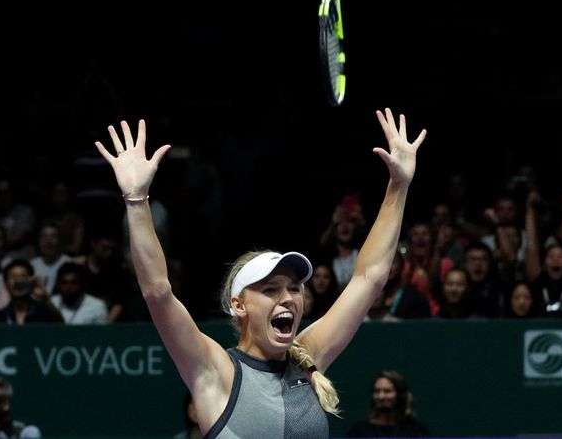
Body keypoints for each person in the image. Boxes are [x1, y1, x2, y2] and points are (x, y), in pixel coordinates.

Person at [94, 110, 426, 438]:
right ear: (239, 305)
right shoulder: (215, 370)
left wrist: (398, 185)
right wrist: (136, 200)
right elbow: (157, 291)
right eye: (270, 290)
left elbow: (369, 278)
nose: (288, 298)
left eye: (295, 288)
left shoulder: (309, 356)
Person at [346, 370, 430, 437]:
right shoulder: (359, 432)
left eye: (387, 391)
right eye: (377, 391)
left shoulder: (417, 431)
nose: (381, 396)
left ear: (400, 395)